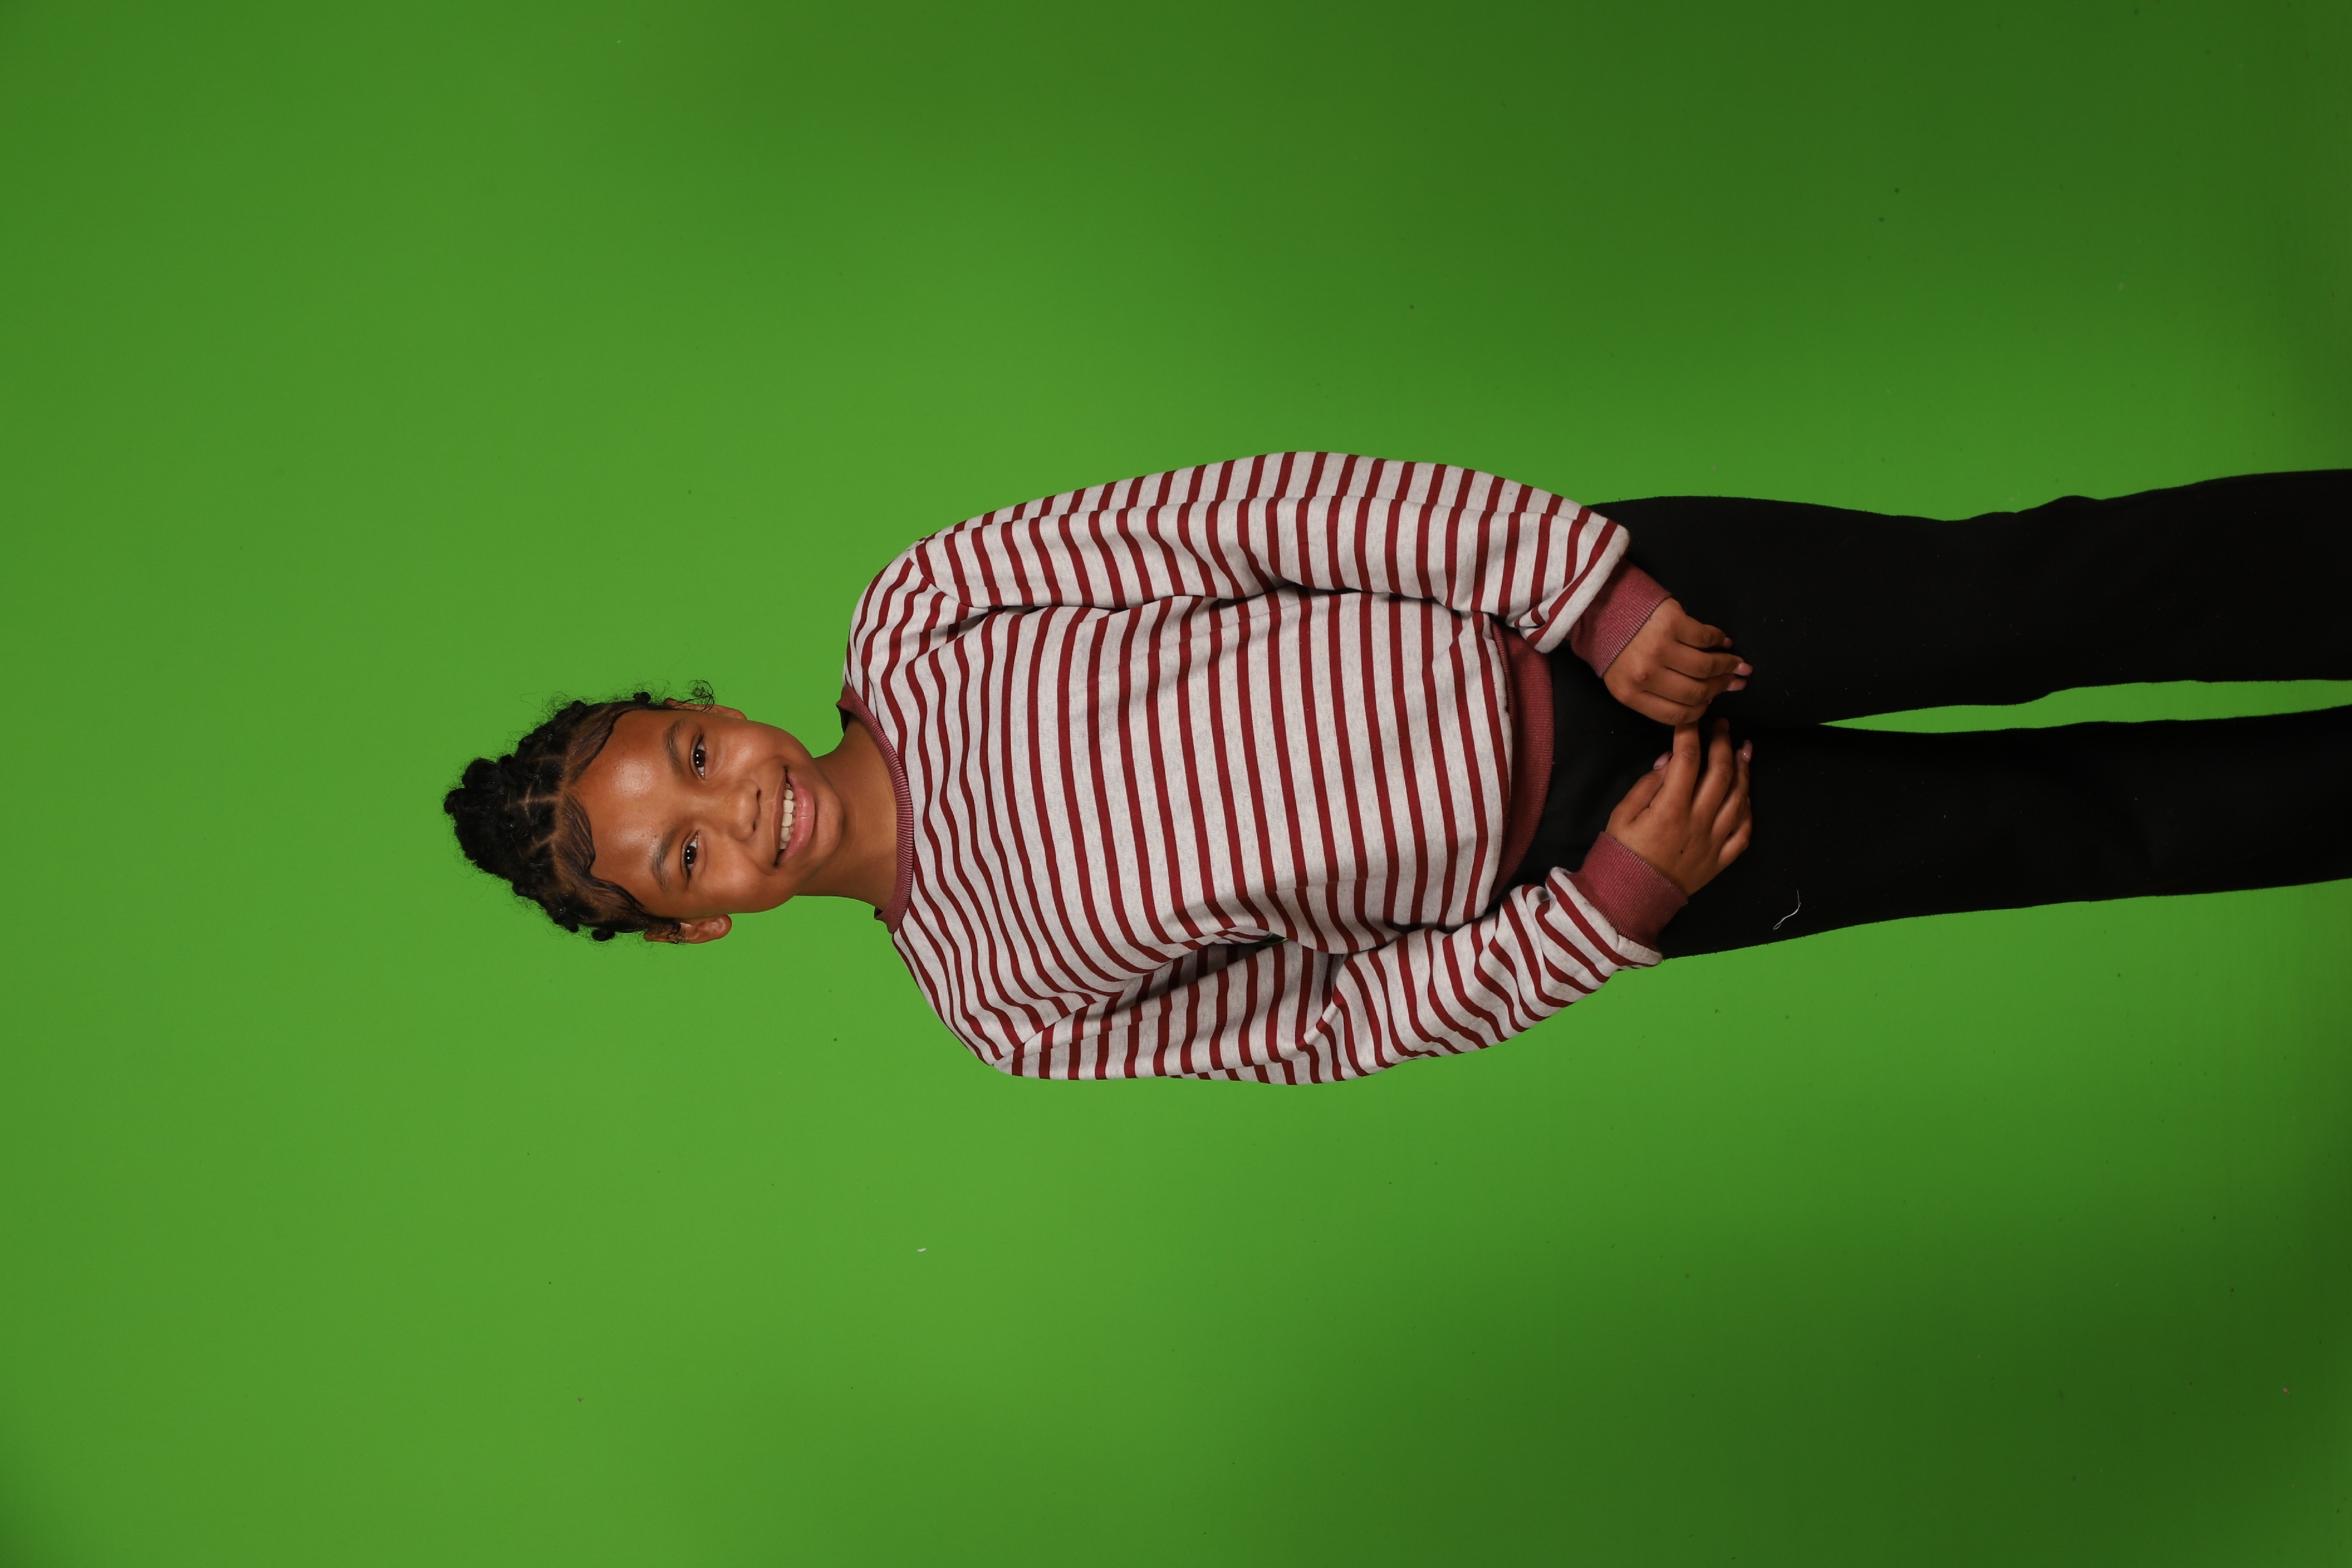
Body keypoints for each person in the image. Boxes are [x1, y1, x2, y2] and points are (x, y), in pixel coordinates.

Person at [444, 455, 2352, 1083]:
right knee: (2055, 831)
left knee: (2029, 595)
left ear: (705, 707)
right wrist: (1610, 910)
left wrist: (1589, 591)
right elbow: (1331, 1022)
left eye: (690, 753)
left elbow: (1268, 511)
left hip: (1602, 617)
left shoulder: (929, 608)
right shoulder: (1003, 1006)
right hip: (1613, 854)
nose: (734, 804)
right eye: (683, 857)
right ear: (698, 927)